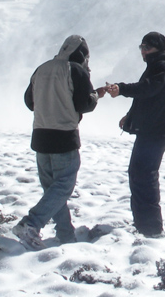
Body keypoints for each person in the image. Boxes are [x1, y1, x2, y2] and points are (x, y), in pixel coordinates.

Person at [14, 35, 104, 250]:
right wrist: (96, 95)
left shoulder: (42, 68)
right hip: (64, 135)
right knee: (63, 187)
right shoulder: (76, 70)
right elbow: (85, 104)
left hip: (40, 135)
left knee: (53, 191)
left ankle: (65, 236)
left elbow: (29, 102)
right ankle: (31, 223)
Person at [106, 32, 165, 237]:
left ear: (157, 48)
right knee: (139, 174)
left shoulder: (162, 66)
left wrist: (121, 88)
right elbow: (149, 97)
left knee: (143, 176)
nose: (143, 51)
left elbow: (147, 89)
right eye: (141, 47)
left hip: (155, 130)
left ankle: (150, 228)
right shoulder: (158, 65)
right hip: (152, 129)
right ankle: (144, 225)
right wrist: (130, 116)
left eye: (146, 47)